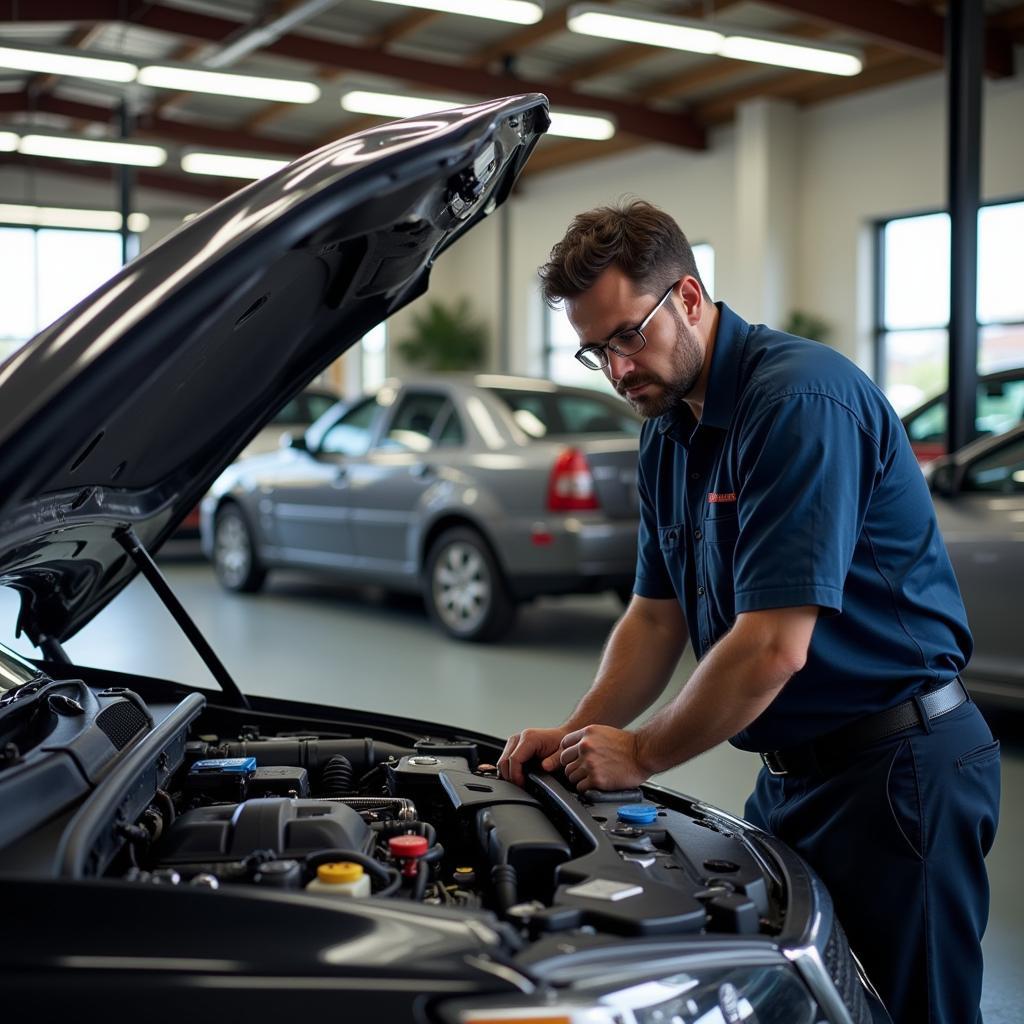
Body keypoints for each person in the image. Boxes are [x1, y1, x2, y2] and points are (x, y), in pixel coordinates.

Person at [497, 200, 1000, 1024]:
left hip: (900, 772)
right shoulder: (670, 428)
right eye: (596, 352)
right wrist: (582, 731)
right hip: (795, 777)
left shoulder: (799, 402)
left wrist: (643, 754)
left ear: (689, 297)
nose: (619, 370)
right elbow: (655, 619)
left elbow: (772, 647)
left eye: (629, 335)